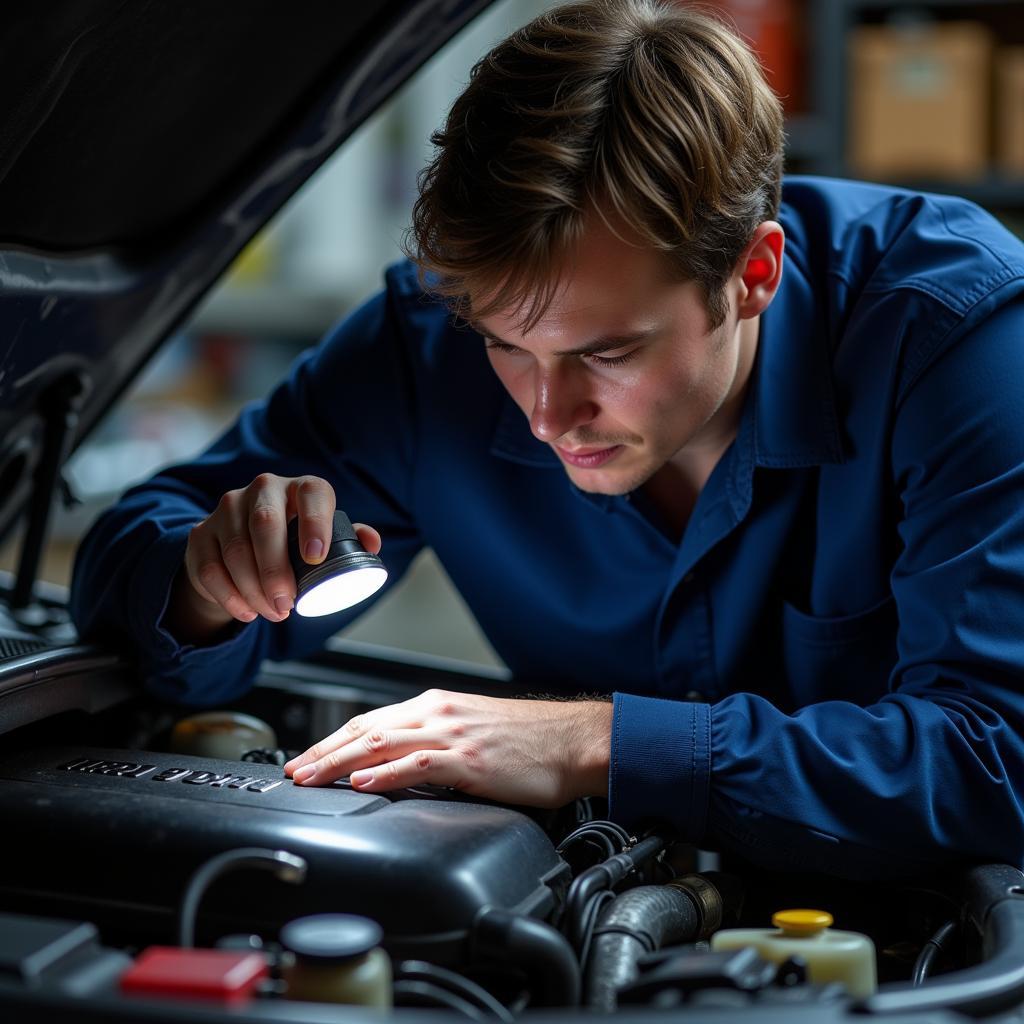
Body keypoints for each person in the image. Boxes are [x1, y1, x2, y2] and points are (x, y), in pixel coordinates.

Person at [71, 0, 1024, 880]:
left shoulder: (953, 340)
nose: (545, 412)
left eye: (608, 351)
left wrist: (591, 742)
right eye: (506, 346)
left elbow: (997, 758)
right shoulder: (424, 348)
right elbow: (140, 546)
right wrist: (209, 580)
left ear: (753, 272)